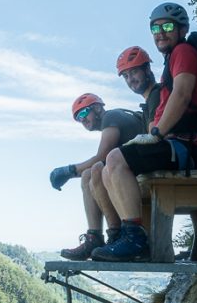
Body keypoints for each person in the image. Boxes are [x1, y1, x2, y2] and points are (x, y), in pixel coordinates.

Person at [93, 2, 197, 262]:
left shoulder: (183, 51)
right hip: (182, 145)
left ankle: (135, 239)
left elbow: (182, 94)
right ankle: (128, 236)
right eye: (155, 28)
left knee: (114, 159)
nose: (160, 32)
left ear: (182, 29)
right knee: (107, 169)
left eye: (167, 26)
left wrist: (157, 134)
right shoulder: (175, 57)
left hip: (187, 147)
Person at [49, 93, 142, 260]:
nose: (82, 120)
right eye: (78, 118)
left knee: (97, 168)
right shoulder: (111, 120)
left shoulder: (111, 116)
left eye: (84, 113)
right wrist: (72, 172)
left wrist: (69, 171)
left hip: (141, 167)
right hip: (132, 168)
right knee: (87, 175)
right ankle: (94, 238)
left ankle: (115, 234)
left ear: (98, 108)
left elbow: (102, 156)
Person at [115, 45, 161, 130]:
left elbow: (153, 138)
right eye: (125, 76)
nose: (130, 79)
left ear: (147, 69)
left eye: (134, 72)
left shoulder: (157, 94)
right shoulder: (148, 103)